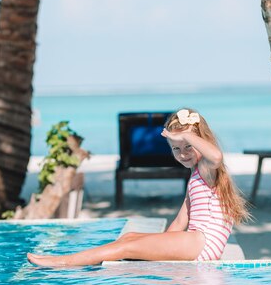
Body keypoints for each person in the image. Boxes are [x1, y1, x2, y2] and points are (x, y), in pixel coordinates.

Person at [27, 108, 249, 267]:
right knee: (129, 237)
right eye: (175, 149)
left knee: (126, 248)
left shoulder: (207, 169)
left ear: (201, 140)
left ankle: (63, 261)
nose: (182, 154)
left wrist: (186, 134)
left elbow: (216, 155)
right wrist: (160, 249)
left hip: (202, 243)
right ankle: (78, 259)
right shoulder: (196, 178)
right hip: (194, 241)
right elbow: (181, 221)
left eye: (188, 146)